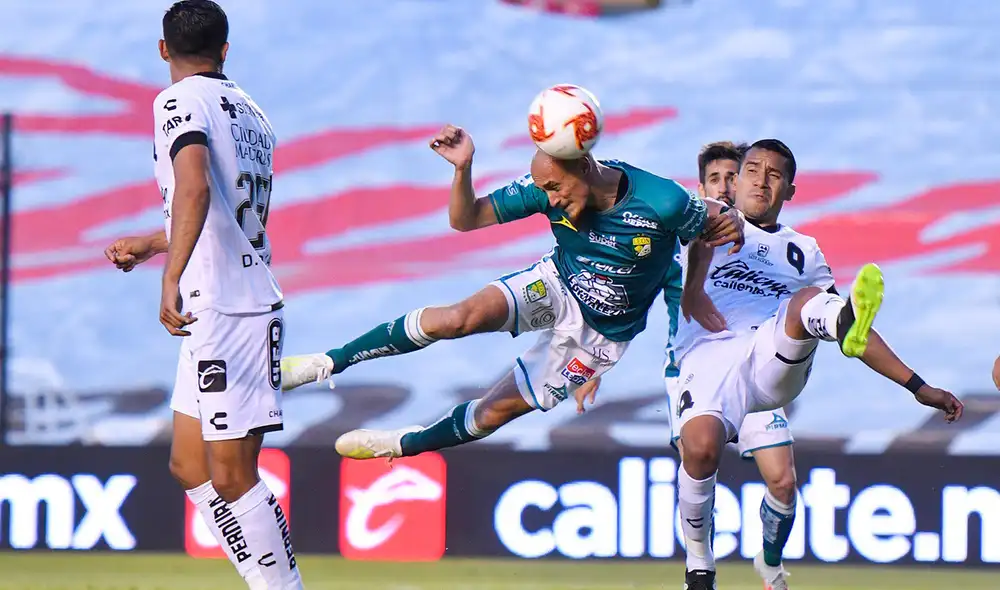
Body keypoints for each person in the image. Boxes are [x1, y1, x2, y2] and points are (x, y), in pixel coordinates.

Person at [279, 123, 745, 460]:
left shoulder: (662, 201)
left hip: (599, 338)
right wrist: (463, 169)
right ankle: (327, 362)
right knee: (458, 317)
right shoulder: (544, 187)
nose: (551, 198)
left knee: (492, 413)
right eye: (544, 189)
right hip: (557, 285)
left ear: (584, 166)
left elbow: (707, 225)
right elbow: (466, 219)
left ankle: (403, 444)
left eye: (557, 188)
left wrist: (695, 288)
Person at [672, 138, 964, 590]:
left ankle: (841, 316)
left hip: (774, 356)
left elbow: (863, 340)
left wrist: (917, 385)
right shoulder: (704, 221)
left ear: (789, 190)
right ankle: (699, 567)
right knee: (702, 448)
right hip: (709, 356)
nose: (761, 180)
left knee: (809, 303)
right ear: (737, 176)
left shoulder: (802, 250)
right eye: (752, 169)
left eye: (774, 174)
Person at [103, 2, 302, 588]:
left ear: (163, 49)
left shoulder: (177, 101)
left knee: (234, 474)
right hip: (220, 302)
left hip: (228, 307)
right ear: (225, 49)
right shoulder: (251, 112)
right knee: (190, 465)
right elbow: (221, 212)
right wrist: (152, 243)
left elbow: (192, 187)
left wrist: (170, 276)